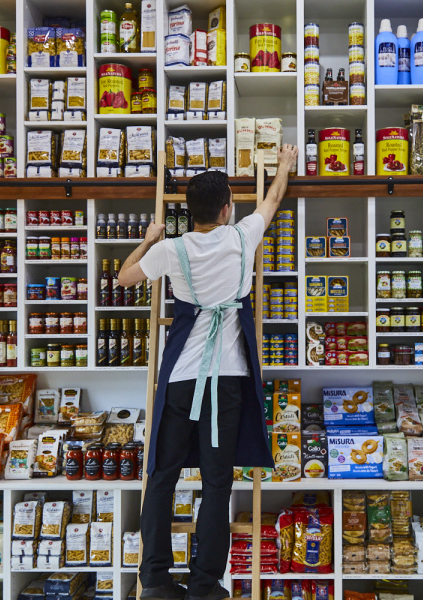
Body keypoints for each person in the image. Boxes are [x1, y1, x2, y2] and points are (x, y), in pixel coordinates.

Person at [117, 144, 299, 600]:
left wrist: (151, 236)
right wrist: (284, 167)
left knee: (162, 475)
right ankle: (204, 584)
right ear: (226, 208)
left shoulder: (171, 250)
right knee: (218, 482)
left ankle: (155, 579)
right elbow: (272, 201)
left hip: (180, 379)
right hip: (227, 382)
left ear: (188, 210)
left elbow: (124, 278)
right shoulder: (241, 237)